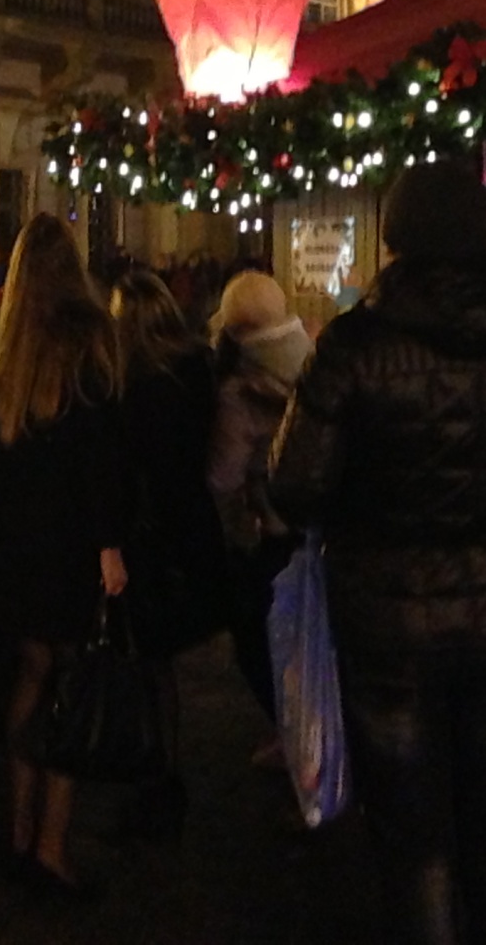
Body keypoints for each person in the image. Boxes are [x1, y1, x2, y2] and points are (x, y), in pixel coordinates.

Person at [272, 162, 486, 945]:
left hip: (389, 624)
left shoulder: (355, 342)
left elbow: (295, 484)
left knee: (417, 850)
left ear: (394, 232)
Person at [0, 213, 128, 895]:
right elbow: (100, 451)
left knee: (26, 670)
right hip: (65, 538)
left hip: (2, 538)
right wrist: (109, 541)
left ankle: (18, 825)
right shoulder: (89, 337)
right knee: (69, 686)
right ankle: (51, 843)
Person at [109, 268, 228, 837]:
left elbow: (131, 465)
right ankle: (161, 772)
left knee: (142, 659)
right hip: (187, 524)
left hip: (147, 533)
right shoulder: (195, 367)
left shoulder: (135, 380)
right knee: (156, 664)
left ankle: (151, 776)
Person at [207, 269, 313, 740]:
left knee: (258, 644)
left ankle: (297, 744)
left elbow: (222, 477)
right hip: (318, 532)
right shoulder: (317, 363)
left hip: (267, 534)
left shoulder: (240, 390)